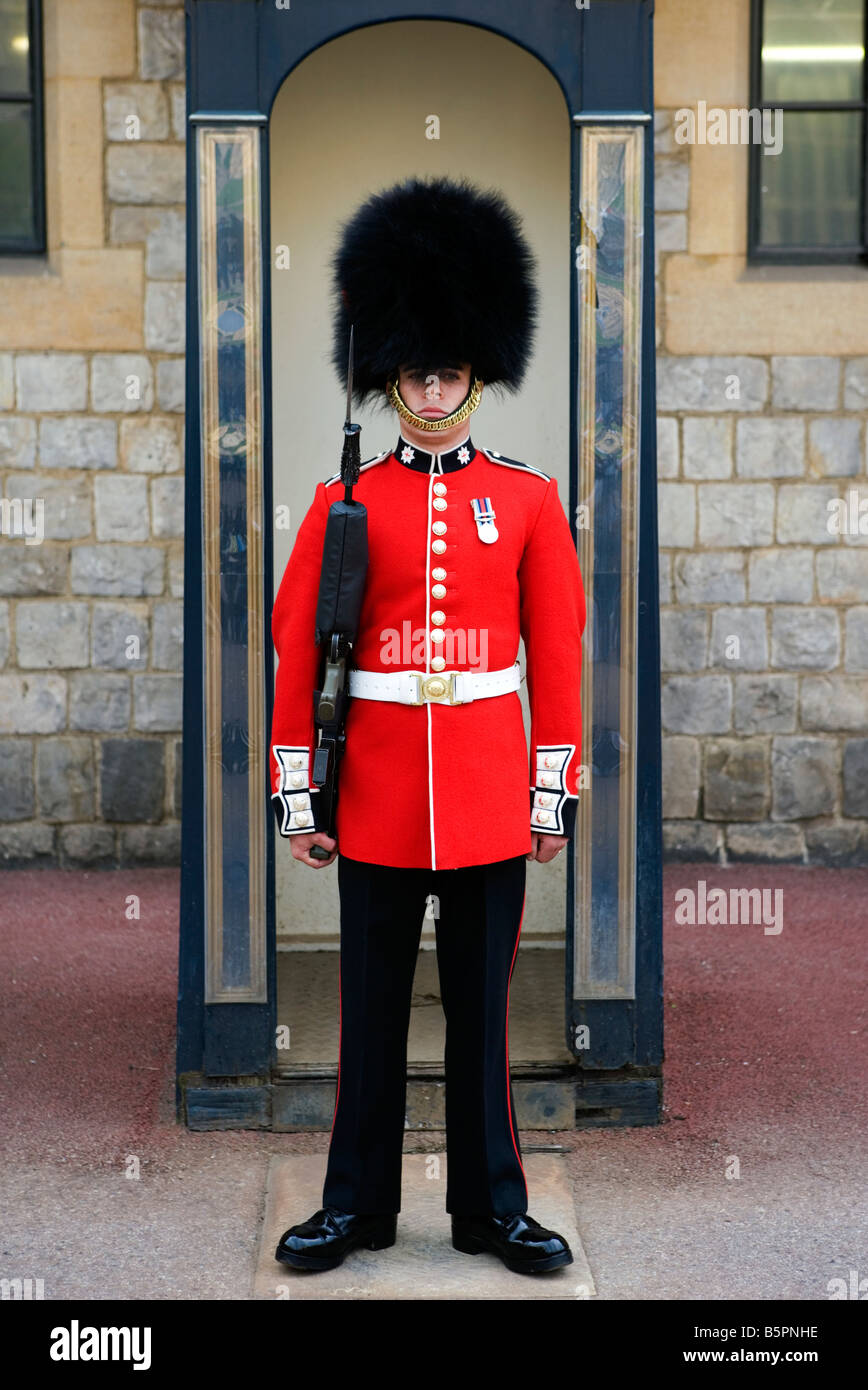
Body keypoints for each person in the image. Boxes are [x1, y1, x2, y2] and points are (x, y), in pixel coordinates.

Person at [270, 176, 586, 1276]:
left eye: (450, 366)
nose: (435, 383)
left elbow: (555, 655)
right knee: (368, 1020)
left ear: (477, 374)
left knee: (483, 1026)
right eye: (417, 367)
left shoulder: (529, 500)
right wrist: (300, 791)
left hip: (494, 795)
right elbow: (296, 650)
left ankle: (491, 1211)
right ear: (391, 376)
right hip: (379, 796)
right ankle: (354, 1208)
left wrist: (551, 790)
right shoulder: (339, 504)